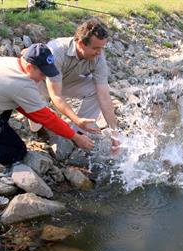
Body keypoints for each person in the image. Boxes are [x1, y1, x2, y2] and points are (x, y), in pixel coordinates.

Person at [0, 43, 95, 182]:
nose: (44, 78)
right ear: (30, 67)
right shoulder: (21, 84)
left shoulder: (8, 62)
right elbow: (46, 118)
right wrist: (75, 137)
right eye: (43, 73)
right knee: (17, 150)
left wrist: (41, 113)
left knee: (11, 107)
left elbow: (25, 107)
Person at [35, 18, 120, 154]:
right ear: (80, 43)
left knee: (96, 90)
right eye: (95, 48)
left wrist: (115, 133)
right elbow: (55, 95)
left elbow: (104, 95)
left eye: (102, 48)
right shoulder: (56, 50)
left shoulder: (99, 57)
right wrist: (76, 118)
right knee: (36, 121)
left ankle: (77, 132)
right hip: (40, 83)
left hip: (67, 82)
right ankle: (39, 130)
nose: (100, 52)